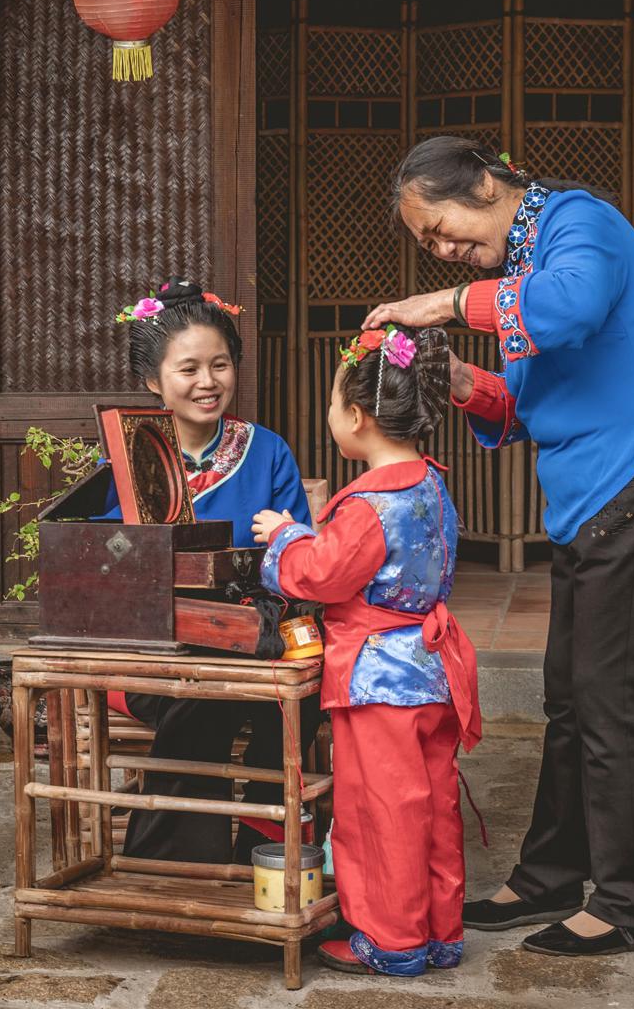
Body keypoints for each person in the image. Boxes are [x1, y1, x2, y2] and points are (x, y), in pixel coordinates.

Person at [363, 137, 634, 957]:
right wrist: (458, 381)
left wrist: (444, 300)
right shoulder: (521, 275)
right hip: (602, 499)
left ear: (487, 183)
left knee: (610, 698)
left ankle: (628, 906)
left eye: (443, 229)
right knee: (571, 692)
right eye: (428, 247)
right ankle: (551, 875)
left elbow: (572, 307)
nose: (444, 249)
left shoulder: (575, 222)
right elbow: (520, 410)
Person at [252, 324, 482, 977]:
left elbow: (322, 575)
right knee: (432, 806)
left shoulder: (368, 505)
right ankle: (440, 932)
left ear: (356, 417)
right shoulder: (431, 486)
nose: (332, 417)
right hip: (432, 673)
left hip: (379, 679)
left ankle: (391, 940)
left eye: (332, 406)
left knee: (382, 813)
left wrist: (288, 535)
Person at [101, 276, 319, 864]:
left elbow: (297, 556)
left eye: (219, 365)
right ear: (153, 381)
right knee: (211, 690)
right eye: (189, 368)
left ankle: (261, 847)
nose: (207, 382)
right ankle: (183, 865)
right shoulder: (125, 456)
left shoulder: (267, 449)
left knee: (290, 690)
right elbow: (104, 563)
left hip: (245, 639)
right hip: (147, 654)